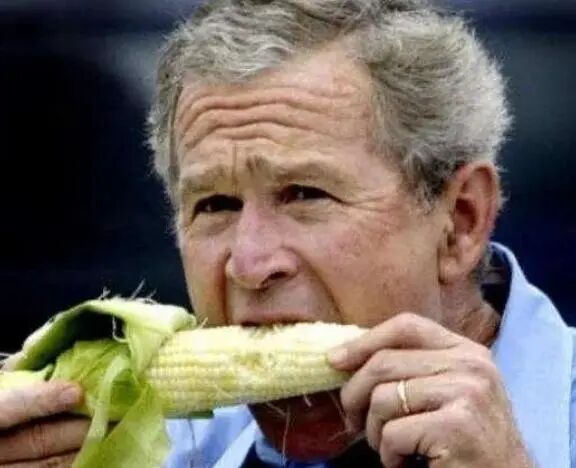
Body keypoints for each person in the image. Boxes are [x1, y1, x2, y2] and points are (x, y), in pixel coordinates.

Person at [0, 0, 573, 466]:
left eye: (305, 194)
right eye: (215, 205)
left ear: (460, 223)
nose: (249, 265)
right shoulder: (145, 449)